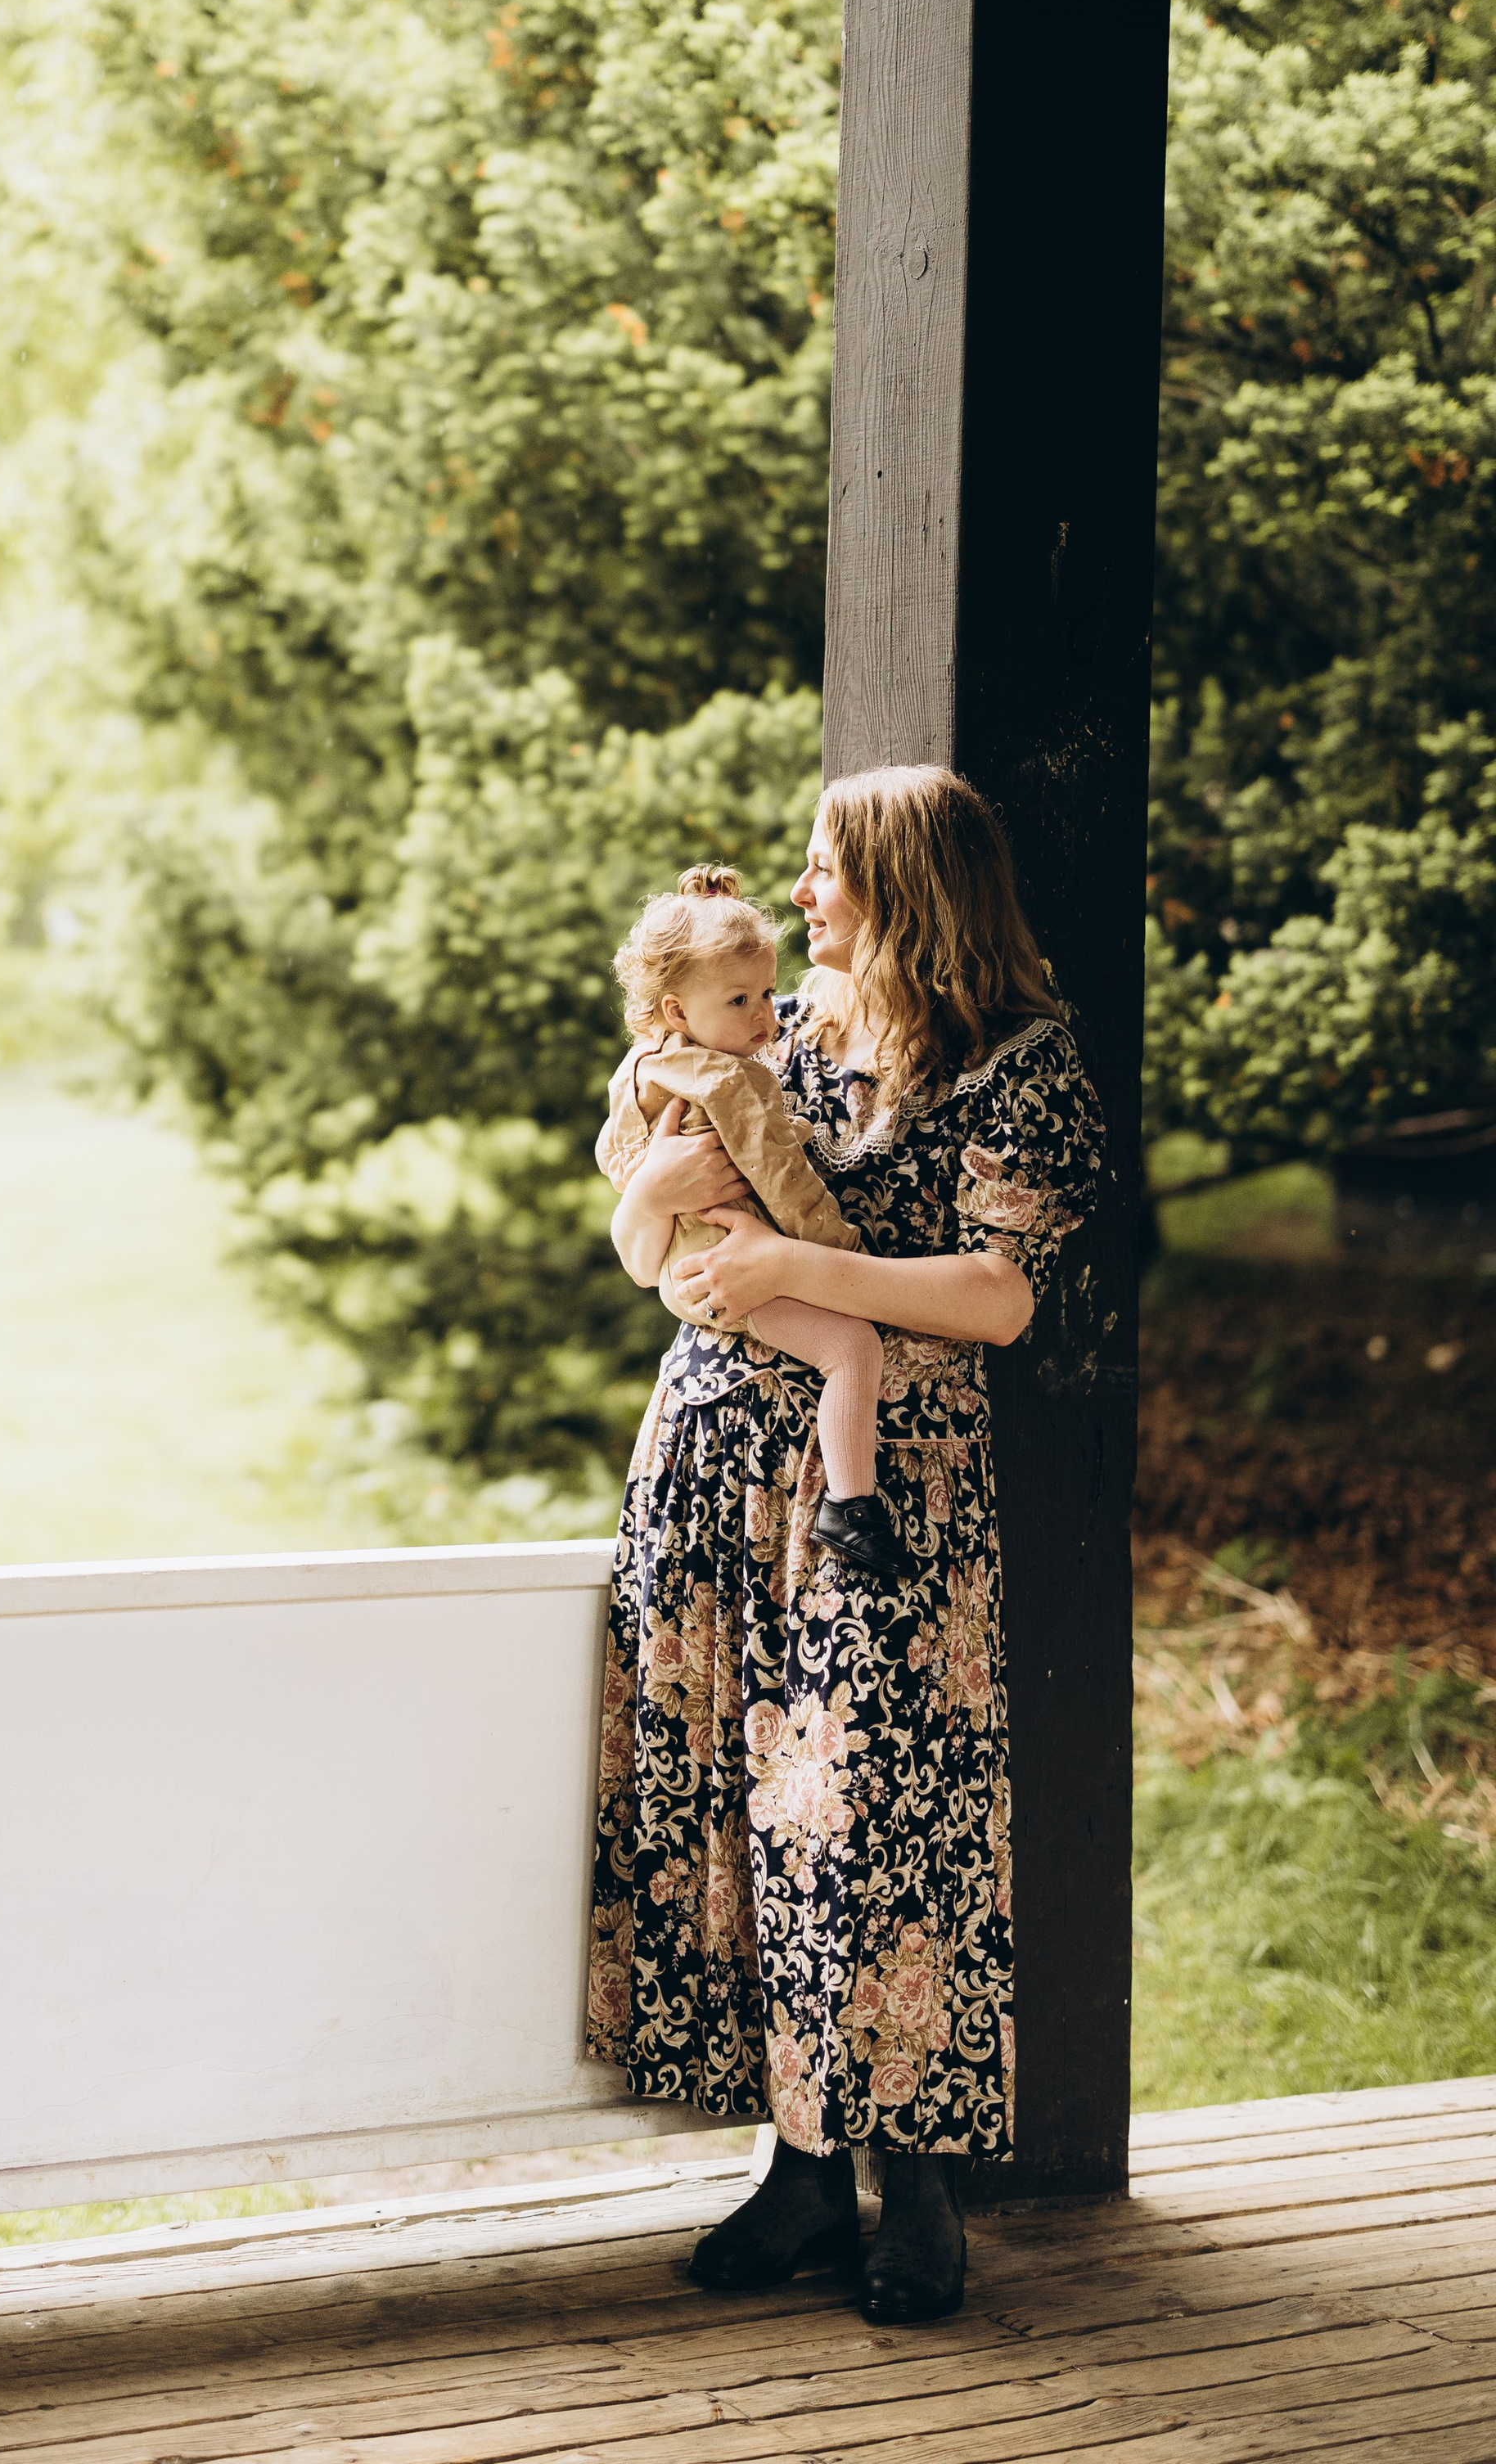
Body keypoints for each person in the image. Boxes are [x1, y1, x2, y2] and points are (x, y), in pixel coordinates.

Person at [586, 764, 1105, 2324]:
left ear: (906, 884)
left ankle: (917, 2188)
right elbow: (650, 1237)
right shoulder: (774, 1027)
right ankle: (799, 2176)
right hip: (717, 1460)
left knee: (882, 1818)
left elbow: (998, 1298)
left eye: (828, 868)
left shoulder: (1021, 1064)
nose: (803, 893)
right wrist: (648, 1211)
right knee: (741, 1815)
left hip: (891, 1488)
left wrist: (800, 1264)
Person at [597, 864, 912, 1585]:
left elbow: (614, 1151)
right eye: (740, 1000)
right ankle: (851, 1506)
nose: (765, 1016)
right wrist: (837, 1251)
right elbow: (780, 1179)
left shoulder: (644, 1065)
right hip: (729, 1274)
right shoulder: (731, 1077)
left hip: (692, 1271)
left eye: (768, 993)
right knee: (853, 1347)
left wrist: (649, 1183)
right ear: (677, 1009)